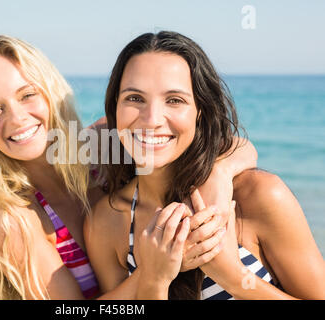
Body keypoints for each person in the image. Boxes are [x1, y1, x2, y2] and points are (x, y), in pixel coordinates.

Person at [0, 35, 258, 299]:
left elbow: (230, 144)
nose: (16, 118)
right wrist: (154, 272)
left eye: (27, 95)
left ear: (50, 92)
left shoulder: (99, 146)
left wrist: (220, 174)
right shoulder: (12, 219)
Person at [85, 31, 325, 299]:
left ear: (200, 110)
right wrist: (153, 279)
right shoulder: (107, 221)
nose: (151, 119)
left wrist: (234, 277)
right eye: (135, 98)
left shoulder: (258, 195)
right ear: (115, 105)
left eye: (174, 100)